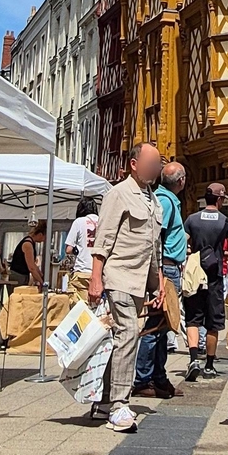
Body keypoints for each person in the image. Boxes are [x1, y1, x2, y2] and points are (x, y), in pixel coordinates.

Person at [89, 142, 164, 434]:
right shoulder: (118, 194)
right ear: (134, 164)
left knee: (122, 338)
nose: (155, 169)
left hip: (139, 282)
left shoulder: (153, 200)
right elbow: (103, 239)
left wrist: (158, 287)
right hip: (118, 276)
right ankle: (120, 404)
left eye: (158, 164)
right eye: (151, 163)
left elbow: (153, 248)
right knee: (128, 334)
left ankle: (105, 401)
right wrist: (96, 278)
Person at [133, 161, 187, 398]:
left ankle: (158, 377)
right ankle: (143, 378)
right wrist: (160, 274)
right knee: (156, 325)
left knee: (164, 326)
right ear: (181, 181)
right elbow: (156, 236)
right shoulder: (165, 201)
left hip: (168, 267)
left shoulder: (165, 198)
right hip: (166, 268)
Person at [183, 183, 228, 381]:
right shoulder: (226, 222)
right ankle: (209, 365)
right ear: (220, 199)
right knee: (213, 322)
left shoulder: (192, 220)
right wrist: (218, 254)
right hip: (214, 276)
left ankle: (193, 359)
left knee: (193, 319)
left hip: (195, 275)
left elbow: (183, 243)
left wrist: (194, 251)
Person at [64, 197, 99, 304]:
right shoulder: (103, 221)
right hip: (99, 273)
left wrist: (77, 250)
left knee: (78, 308)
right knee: (96, 308)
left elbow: (68, 249)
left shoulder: (79, 222)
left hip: (82, 271)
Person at [8, 221, 47, 288]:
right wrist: (41, 282)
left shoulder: (31, 243)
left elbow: (33, 265)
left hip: (23, 275)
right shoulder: (28, 244)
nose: (44, 240)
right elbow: (31, 267)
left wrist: (40, 274)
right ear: (40, 234)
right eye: (44, 237)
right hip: (18, 276)